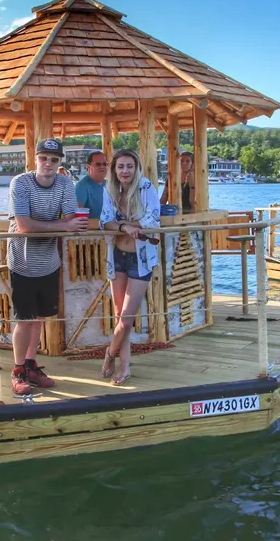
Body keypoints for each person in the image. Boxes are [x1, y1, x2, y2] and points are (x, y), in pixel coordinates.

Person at [7, 138, 89, 395]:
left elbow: (71, 218)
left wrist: (70, 223)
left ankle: (31, 365)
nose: (48, 164)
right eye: (44, 158)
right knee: (24, 319)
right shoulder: (20, 183)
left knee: (39, 318)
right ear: (35, 158)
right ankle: (18, 371)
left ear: (60, 162)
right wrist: (64, 226)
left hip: (49, 261)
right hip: (22, 260)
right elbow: (24, 226)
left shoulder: (65, 182)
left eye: (54, 159)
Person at [99, 149, 161, 385]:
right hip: (118, 256)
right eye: (120, 167)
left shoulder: (145, 188)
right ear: (114, 170)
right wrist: (125, 227)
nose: (125, 171)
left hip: (141, 259)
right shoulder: (110, 190)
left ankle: (109, 355)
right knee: (119, 316)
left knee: (126, 319)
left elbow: (153, 219)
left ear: (136, 168)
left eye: (129, 166)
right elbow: (106, 221)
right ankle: (124, 367)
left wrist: (121, 224)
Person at [75, 151, 109, 219]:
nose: (102, 166)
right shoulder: (81, 187)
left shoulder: (110, 185)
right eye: (98, 164)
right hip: (94, 229)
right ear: (88, 167)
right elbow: (77, 218)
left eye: (105, 164)